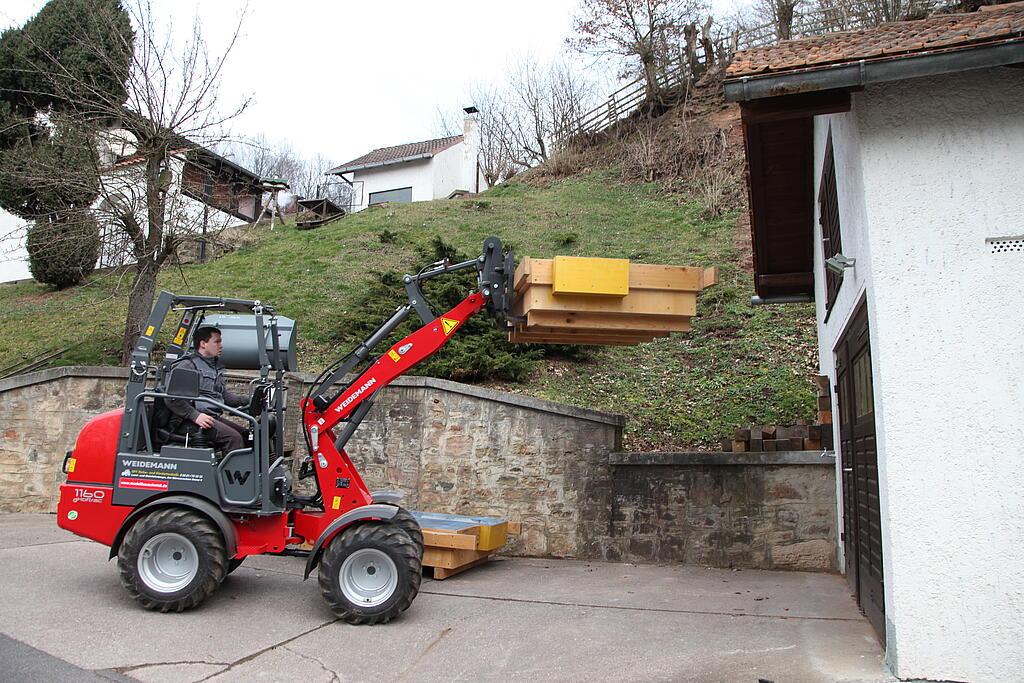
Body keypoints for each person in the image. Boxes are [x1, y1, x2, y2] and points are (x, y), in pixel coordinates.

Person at [165, 326, 250, 453]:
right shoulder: (187, 365)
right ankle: (232, 473)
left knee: (247, 435)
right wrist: (195, 416)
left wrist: (249, 400)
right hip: (187, 420)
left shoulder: (214, 367)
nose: (221, 345)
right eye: (217, 341)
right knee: (233, 438)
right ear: (203, 344)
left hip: (210, 417)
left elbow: (224, 396)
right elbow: (172, 398)